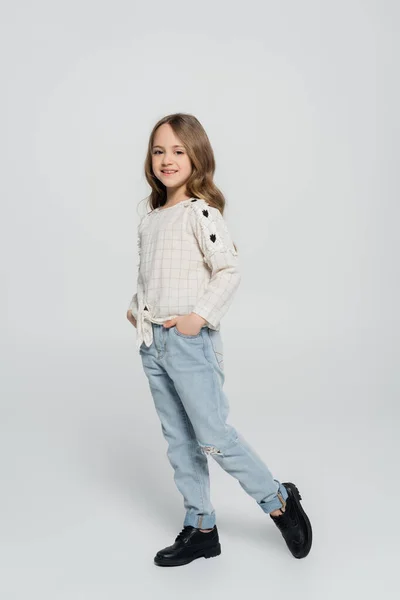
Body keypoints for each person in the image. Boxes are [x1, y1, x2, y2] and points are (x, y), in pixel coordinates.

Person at [127, 113, 312, 567]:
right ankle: (201, 526)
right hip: (154, 344)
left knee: (212, 435)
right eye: (158, 150)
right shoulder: (151, 218)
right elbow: (153, 276)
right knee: (179, 440)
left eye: (178, 150)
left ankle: (277, 499)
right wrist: (137, 307)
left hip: (189, 343)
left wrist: (197, 318)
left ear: (197, 157)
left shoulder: (200, 212)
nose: (167, 159)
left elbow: (228, 271)